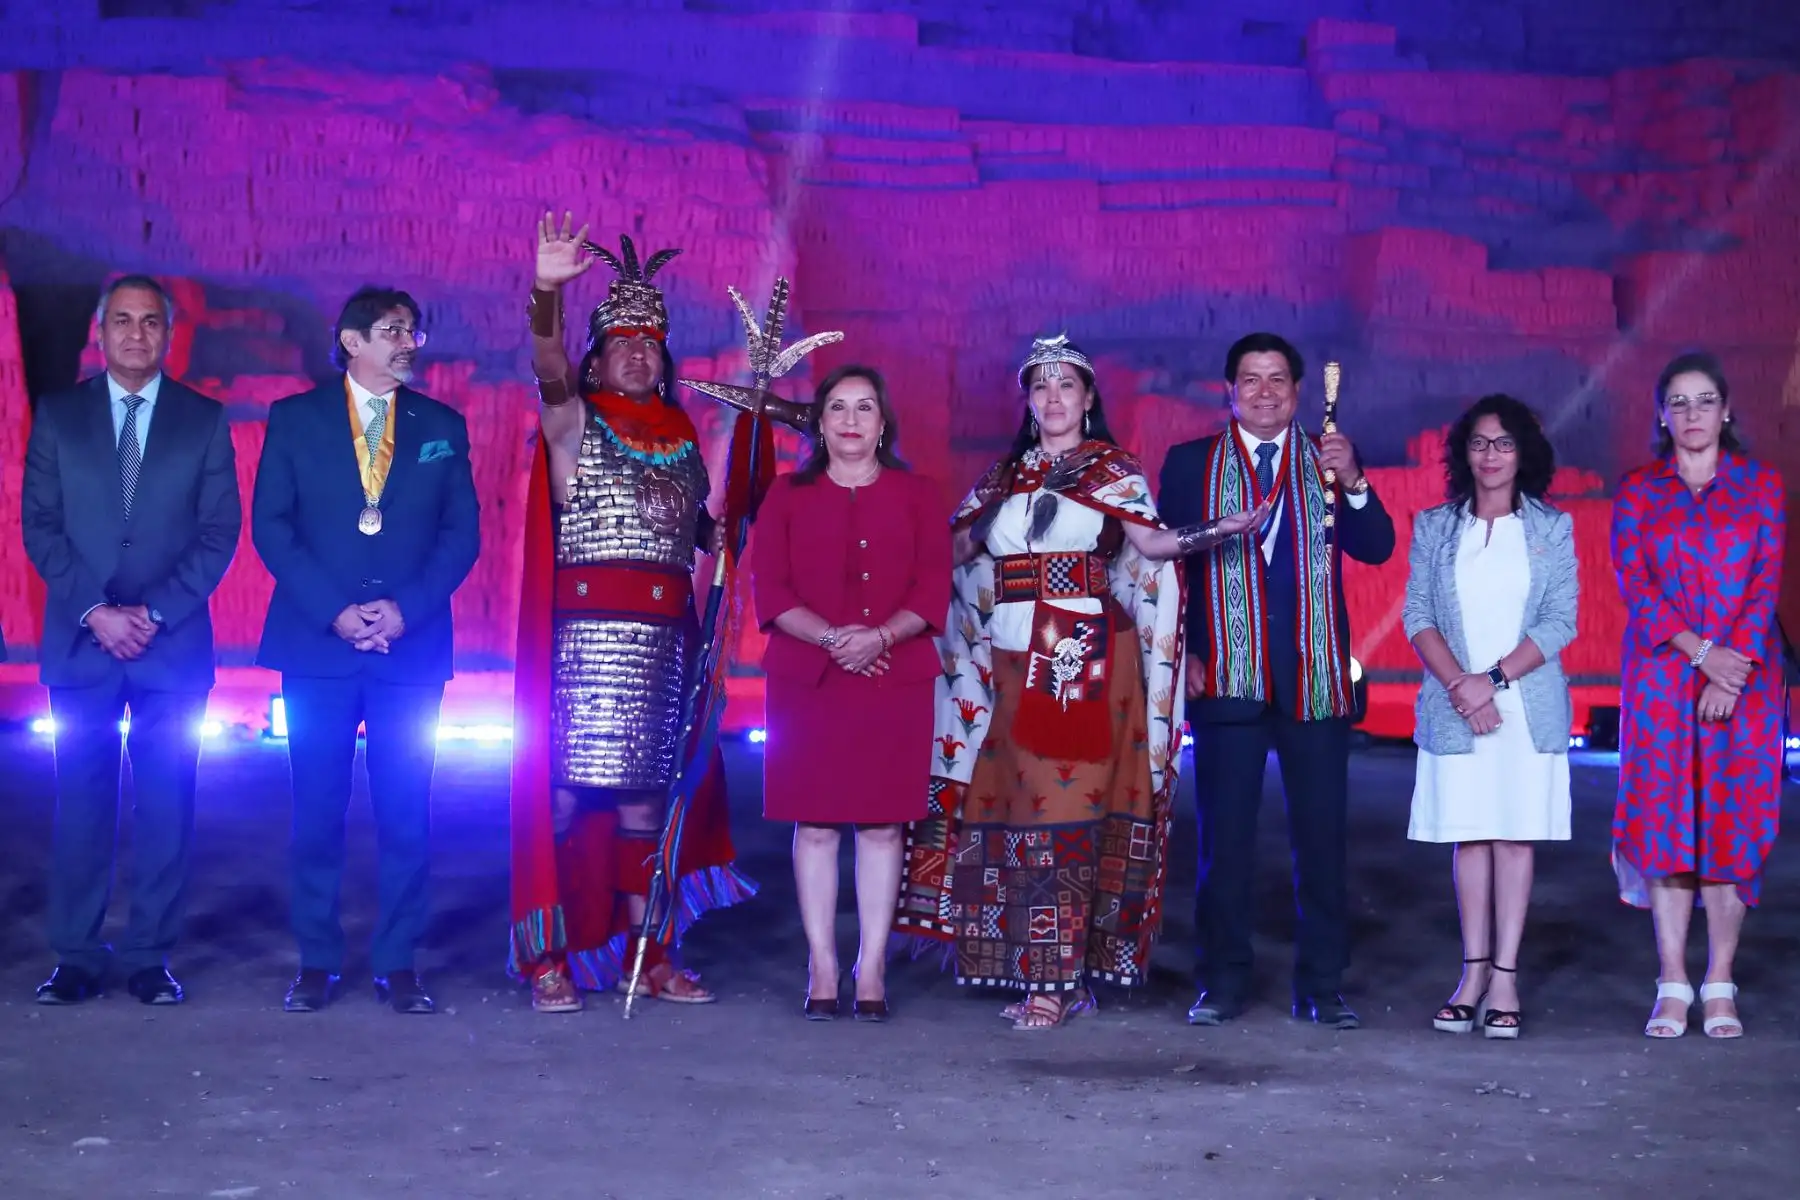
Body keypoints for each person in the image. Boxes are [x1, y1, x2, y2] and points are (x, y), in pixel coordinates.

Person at [895, 334, 1256, 1031]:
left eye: (1068, 387)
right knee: (1008, 812)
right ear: (1029, 402)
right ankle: (1026, 963)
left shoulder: (1111, 471)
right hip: (1004, 655)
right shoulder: (1005, 477)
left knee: (1063, 815)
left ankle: (1055, 982)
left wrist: (1220, 528)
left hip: (1075, 653)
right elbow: (956, 550)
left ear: (1089, 400)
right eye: (1042, 387)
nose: (1054, 398)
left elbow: (1150, 546)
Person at [507, 213, 796, 1012]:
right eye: (621, 341)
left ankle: (652, 950)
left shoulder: (677, 438)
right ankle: (552, 957)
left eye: (650, 342)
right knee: (567, 797)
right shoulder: (575, 424)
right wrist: (546, 292)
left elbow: (708, 538)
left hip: (664, 645)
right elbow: (547, 367)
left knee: (646, 802)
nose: (637, 352)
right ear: (598, 356)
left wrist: (737, 522)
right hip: (585, 645)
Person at [252, 285, 480, 1015]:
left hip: (408, 651)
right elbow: (272, 528)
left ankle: (397, 963)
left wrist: (405, 611)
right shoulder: (293, 420)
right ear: (350, 342)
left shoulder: (442, 424)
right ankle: (316, 961)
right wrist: (336, 613)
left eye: (413, 328)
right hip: (318, 644)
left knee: (406, 811)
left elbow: (461, 536)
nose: (408, 341)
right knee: (316, 809)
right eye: (391, 330)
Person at [1158, 332, 1396, 1030]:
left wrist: (1354, 481)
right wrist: (1184, 651)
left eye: (1277, 380)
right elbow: (1162, 567)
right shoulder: (1190, 464)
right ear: (1228, 391)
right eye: (1250, 380)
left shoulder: (1328, 460)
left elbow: (1377, 547)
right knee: (1222, 847)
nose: (1264, 392)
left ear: (1297, 391)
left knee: (1322, 844)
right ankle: (1222, 982)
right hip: (1225, 678)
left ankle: (1321, 986)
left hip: (1315, 683)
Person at [21, 273, 241, 1006]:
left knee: (166, 805)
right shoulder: (58, 415)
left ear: (167, 333)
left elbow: (218, 533)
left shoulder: (203, 420)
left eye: (150, 322)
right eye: (122, 320)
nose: (136, 334)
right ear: (101, 330)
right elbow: (40, 527)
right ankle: (77, 957)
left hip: (169, 648)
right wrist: (96, 611)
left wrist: (154, 614)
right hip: (82, 644)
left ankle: (150, 956)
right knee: (80, 807)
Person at [752, 365, 949, 1021]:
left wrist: (880, 638)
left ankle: (871, 967)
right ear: (820, 421)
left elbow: (930, 587)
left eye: (865, 408)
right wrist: (840, 639)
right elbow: (772, 593)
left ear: (883, 421)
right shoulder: (786, 496)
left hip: (894, 678)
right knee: (815, 826)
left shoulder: (919, 495)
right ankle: (823, 964)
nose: (851, 421)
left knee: (882, 825)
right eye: (838, 407)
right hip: (811, 678)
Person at [1612, 351, 1785, 1040]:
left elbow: (1764, 583)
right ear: (1661, 414)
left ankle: (1719, 981)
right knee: (1668, 829)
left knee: (1728, 828)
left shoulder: (1761, 486)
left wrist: (1729, 666)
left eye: (1704, 400)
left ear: (1727, 409)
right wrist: (1701, 656)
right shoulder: (1638, 492)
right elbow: (1636, 586)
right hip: (1662, 682)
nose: (1692, 414)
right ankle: (1672, 981)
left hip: (1744, 682)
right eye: (1678, 402)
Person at [1403, 395, 1578, 1040]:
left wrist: (1492, 682)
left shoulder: (1550, 527)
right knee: (1470, 834)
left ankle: (1506, 976)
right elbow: (1417, 615)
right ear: (1463, 452)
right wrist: (1461, 688)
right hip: (1456, 704)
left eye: (1504, 444)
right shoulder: (1435, 525)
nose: (1491, 455)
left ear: (1523, 452)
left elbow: (1561, 622)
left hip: (1524, 705)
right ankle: (1472, 973)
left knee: (1513, 835)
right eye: (1479, 443)